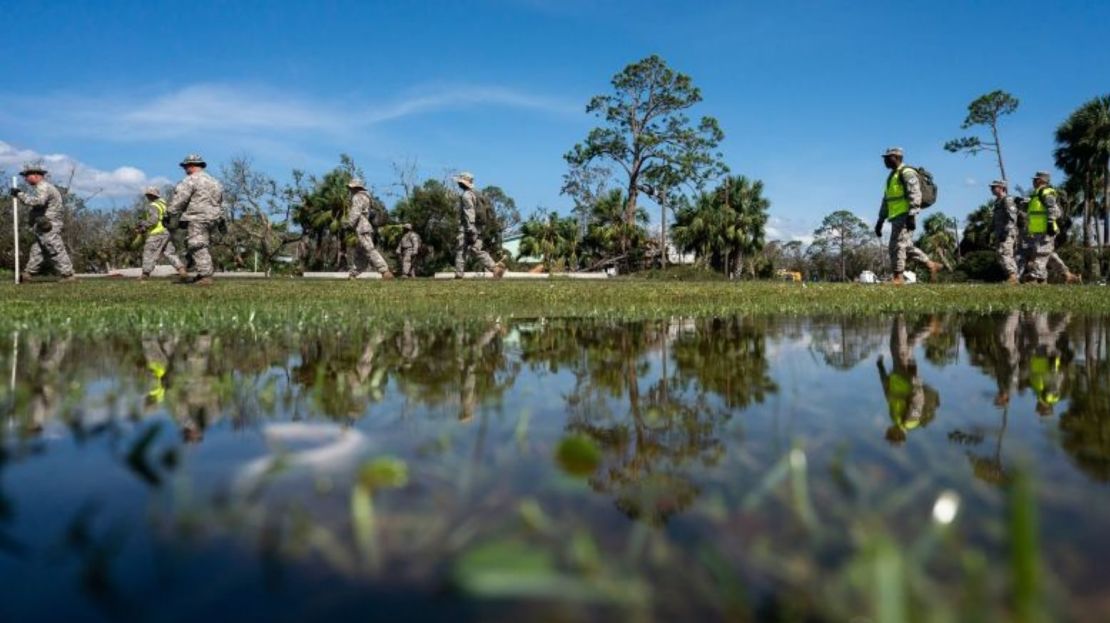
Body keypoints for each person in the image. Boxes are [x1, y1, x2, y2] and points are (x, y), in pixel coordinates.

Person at [874, 148, 942, 284]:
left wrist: (912, 215)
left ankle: (898, 278)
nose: (885, 161)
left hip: (905, 215)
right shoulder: (892, 176)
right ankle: (931, 264)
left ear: (896, 157)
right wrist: (880, 220)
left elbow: (915, 194)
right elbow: (887, 199)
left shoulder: (907, 173)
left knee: (897, 245)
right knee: (906, 246)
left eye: (887, 158)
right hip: (895, 215)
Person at [877, 315, 940, 445]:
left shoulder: (896, 419)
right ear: (897, 435)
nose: (887, 431)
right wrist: (914, 379)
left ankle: (929, 328)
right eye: (889, 434)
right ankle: (900, 314)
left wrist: (881, 368)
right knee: (898, 346)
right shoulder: (910, 421)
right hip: (905, 376)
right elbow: (918, 400)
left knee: (907, 345)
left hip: (897, 374)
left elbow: (888, 394)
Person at [10, 163, 75, 282]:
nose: (25, 178)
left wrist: (20, 195)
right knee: (37, 250)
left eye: (27, 175)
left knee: (54, 248)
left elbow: (39, 202)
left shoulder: (43, 187)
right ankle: (28, 274)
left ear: (35, 175)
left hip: (48, 224)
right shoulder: (44, 187)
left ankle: (68, 274)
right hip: (44, 224)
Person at [166, 154, 224, 285]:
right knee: (202, 244)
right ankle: (201, 273)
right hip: (213, 217)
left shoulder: (190, 180)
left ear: (191, 165)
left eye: (185, 166)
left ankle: (205, 276)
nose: (185, 169)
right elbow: (220, 201)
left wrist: (170, 213)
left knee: (196, 244)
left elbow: (180, 199)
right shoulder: (215, 182)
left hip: (197, 216)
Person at [1020, 171, 1077, 284]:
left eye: (1035, 179)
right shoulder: (1036, 194)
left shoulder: (1046, 192)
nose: (1033, 181)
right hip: (1037, 230)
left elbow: (1054, 210)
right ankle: (1067, 275)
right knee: (1049, 254)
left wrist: (1050, 223)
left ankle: (1035, 277)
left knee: (1041, 253)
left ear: (1041, 180)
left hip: (1047, 229)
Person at [454, 172, 505, 279]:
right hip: (480, 227)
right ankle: (495, 269)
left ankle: (459, 275)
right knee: (475, 250)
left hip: (468, 227)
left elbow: (469, 212)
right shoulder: (477, 194)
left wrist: (470, 228)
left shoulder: (466, 195)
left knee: (461, 249)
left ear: (463, 183)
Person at [345, 178, 394, 280]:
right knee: (361, 252)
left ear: (355, 187)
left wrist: (349, 224)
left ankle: (384, 270)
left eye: (351, 188)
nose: (350, 190)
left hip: (362, 227)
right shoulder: (366, 197)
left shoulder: (358, 197)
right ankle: (354, 274)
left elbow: (356, 212)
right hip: (364, 226)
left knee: (369, 249)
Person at [139, 186, 186, 281]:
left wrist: (143, 224)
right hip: (166, 232)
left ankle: (145, 274)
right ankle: (181, 270)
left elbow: (153, 220)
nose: (147, 197)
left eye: (148, 195)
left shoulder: (153, 206)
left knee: (149, 252)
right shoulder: (164, 205)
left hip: (157, 233)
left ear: (150, 195)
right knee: (170, 253)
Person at [989, 180, 1020, 284]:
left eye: (994, 187)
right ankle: (1012, 276)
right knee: (1001, 255)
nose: (992, 189)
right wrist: (990, 231)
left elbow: (1012, 218)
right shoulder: (998, 201)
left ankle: (1013, 276)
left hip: (1007, 233)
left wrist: (1006, 232)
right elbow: (995, 219)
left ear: (1002, 187)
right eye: (992, 187)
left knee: (1005, 253)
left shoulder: (1007, 200)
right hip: (999, 233)